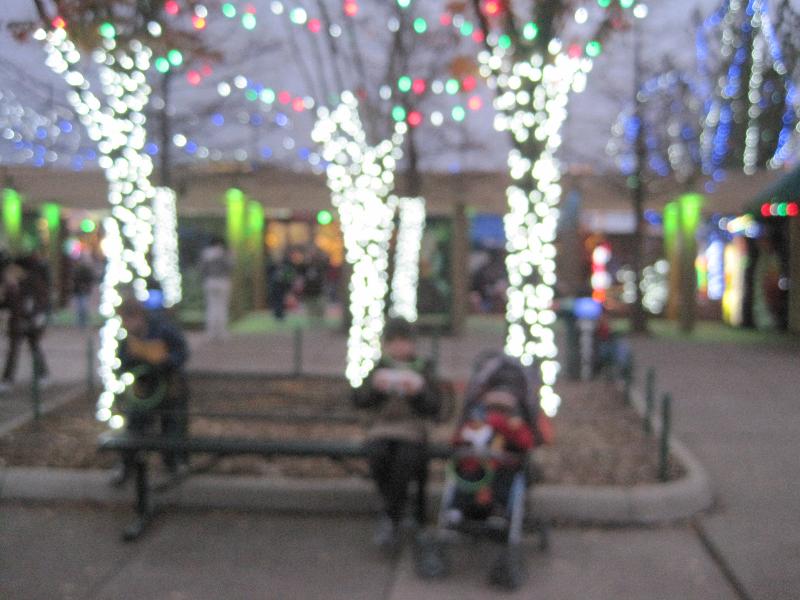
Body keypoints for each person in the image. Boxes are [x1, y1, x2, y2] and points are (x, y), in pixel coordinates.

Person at [353, 317, 441, 550]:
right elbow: (360, 400)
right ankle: (394, 513)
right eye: (394, 342)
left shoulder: (423, 368)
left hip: (413, 430)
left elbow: (435, 407)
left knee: (406, 459)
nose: (399, 347)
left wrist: (418, 392)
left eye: (404, 341)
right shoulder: (379, 367)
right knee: (378, 455)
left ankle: (390, 516)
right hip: (382, 428)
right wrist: (376, 389)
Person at [112, 295, 190, 484]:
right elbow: (122, 362)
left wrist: (166, 362)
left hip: (170, 389)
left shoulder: (163, 328)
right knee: (135, 425)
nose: (126, 325)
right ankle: (127, 466)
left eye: (128, 320)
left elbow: (182, 352)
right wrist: (132, 362)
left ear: (139, 316)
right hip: (145, 391)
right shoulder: (128, 337)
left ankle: (174, 463)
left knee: (172, 425)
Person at [449, 387, 535, 524]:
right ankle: (457, 510)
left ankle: (498, 510)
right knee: (466, 479)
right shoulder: (474, 424)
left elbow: (525, 442)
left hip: (502, 467)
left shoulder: (515, 425)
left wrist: (509, 428)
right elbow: (458, 440)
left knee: (503, 482)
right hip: (476, 466)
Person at [0, 252, 51, 392]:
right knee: (14, 351)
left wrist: (36, 316)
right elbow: (8, 303)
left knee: (34, 348)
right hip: (17, 323)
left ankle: (42, 375)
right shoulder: (13, 284)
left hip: (30, 322)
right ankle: (7, 379)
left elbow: (40, 301)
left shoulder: (32, 282)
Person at [199, 236, 233, 339]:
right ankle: (222, 331)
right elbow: (231, 267)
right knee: (222, 307)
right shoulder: (225, 253)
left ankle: (211, 331)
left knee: (211, 307)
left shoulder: (206, 253)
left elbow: (201, 269)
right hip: (223, 281)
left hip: (209, 281)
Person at [71, 256, 96, 328]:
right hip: (77, 290)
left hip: (84, 291)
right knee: (79, 306)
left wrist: (86, 286)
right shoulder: (76, 270)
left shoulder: (86, 270)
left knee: (83, 306)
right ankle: (80, 321)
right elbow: (74, 279)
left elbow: (90, 279)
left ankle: (83, 321)